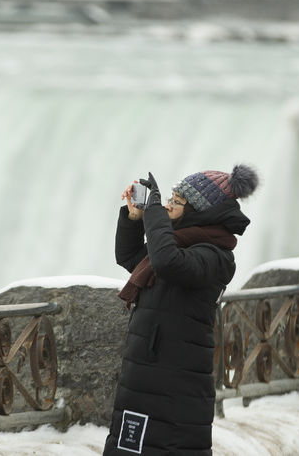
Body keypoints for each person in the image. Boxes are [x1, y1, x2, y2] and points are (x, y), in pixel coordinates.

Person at [103, 165, 258, 456]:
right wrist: (135, 218)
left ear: (200, 211)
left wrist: (154, 213)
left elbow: (167, 263)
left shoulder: (215, 257)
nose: (167, 206)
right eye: (169, 199)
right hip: (148, 377)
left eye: (176, 201)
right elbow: (129, 256)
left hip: (175, 385)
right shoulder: (176, 246)